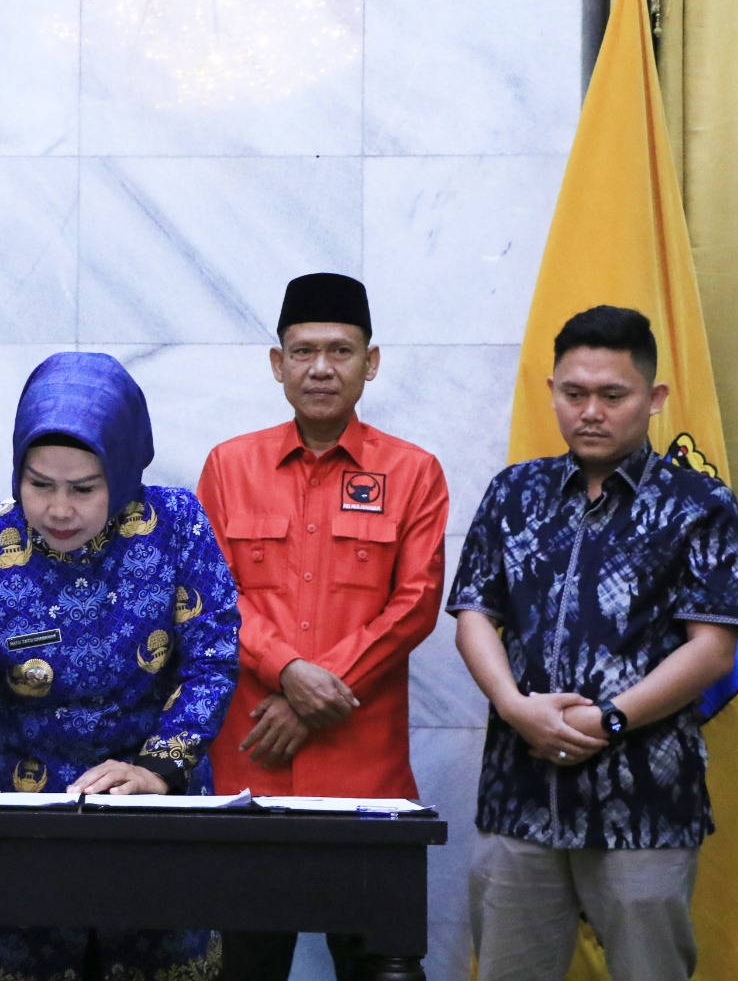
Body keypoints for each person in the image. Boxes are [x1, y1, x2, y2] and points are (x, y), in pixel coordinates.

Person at [447, 306, 738, 981]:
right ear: (552, 390)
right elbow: (473, 614)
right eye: (574, 393)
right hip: (520, 792)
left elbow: (712, 648)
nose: (590, 411)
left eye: (613, 395)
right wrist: (514, 705)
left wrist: (609, 719)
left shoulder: (700, 503)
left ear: (654, 397)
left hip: (644, 802)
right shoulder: (513, 492)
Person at [0, 351, 240, 981]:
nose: (59, 510)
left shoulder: (176, 527)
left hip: (155, 815)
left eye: (84, 488)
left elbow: (212, 660)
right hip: (23, 829)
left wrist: (157, 770)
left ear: (123, 471)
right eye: (39, 485)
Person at [195, 273, 448, 981]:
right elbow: (211, 598)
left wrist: (312, 692)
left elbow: (416, 601)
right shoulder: (228, 466)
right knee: (245, 965)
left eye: (341, 350)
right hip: (251, 768)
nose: (321, 368)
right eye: (303, 351)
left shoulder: (414, 472)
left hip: (365, 774)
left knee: (378, 965)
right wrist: (287, 670)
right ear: (278, 364)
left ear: (371, 362)